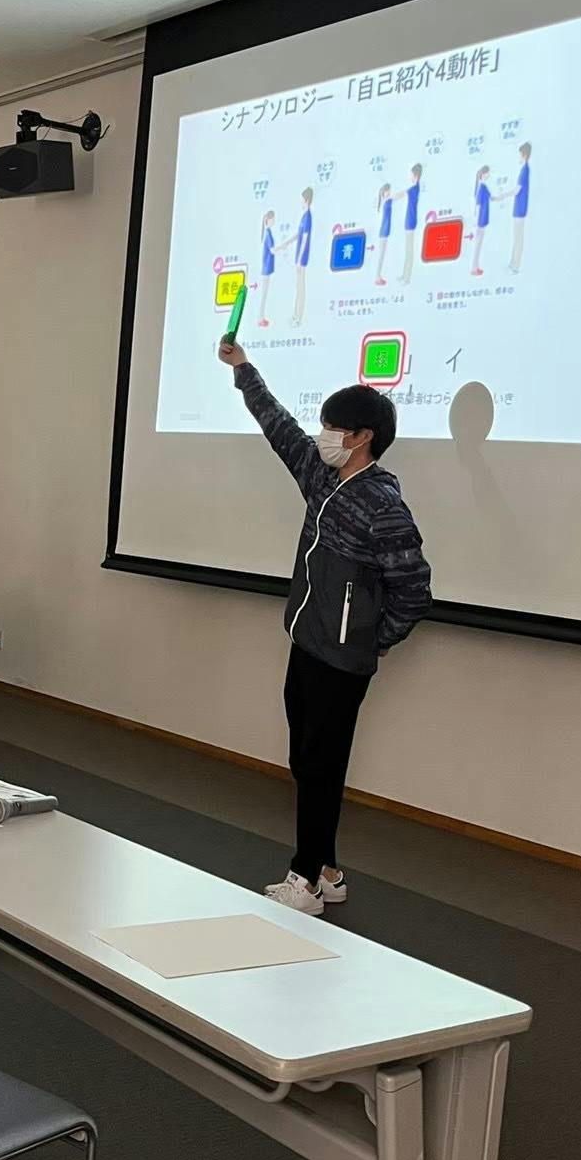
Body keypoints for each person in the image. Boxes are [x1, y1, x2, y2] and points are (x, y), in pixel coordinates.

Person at [216, 340, 433, 915]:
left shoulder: (383, 506)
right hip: (307, 643)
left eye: (334, 428)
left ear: (362, 437)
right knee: (307, 762)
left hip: (342, 660)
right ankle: (328, 871)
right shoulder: (322, 478)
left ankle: (305, 880)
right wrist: (243, 369)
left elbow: (414, 589)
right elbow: (278, 426)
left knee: (322, 765)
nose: (323, 436)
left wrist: (371, 638)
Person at [276, 188, 313, 326]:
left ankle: (298, 317)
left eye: (302, 200)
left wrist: (299, 260)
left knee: (301, 288)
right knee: (298, 287)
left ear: (307, 200)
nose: (301, 203)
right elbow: (298, 235)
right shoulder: (304, 217)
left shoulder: (308, 217)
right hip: (299, 257)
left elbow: (304, 239)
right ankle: (295, 315)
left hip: (302, 258)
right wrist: (285, 244)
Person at [496, 142, 530, 273]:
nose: (519, 157)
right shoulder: (523, 170)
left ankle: (516, 265)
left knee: (518, 237)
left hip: (520, 208)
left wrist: (503, 195)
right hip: (518, 208)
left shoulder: (525, 170)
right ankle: (513, 262)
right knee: (517, 236)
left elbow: (517, 190)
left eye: (520, 155)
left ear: (524, 155)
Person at [397, 163, 422, 285]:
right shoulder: (414, 188)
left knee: (409, 250)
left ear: (416, 176)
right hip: (409, 220)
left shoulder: (414, 189)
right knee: (407, 250)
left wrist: (391, 198)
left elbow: (401, 194)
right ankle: (404, 274)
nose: (410, 177)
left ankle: (407, 277)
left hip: (411, 221)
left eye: (411, 175)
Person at [257, 210, 276, 327]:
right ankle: (260, 318)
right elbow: (272, 250)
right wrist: (283, 247)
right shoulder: (268, 234)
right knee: (263, 295)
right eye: (273, 219)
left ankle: (262, 317)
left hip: (267, 268)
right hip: (266, 268)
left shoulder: (267, 233)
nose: (274, 221)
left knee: (264, 294)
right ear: (268, 220)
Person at [472, 165, 491, 277]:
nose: (489, 175)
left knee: (478, 246)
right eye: (487, 173)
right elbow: (478, 206)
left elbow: (491, 198)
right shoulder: (481, 188)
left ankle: (476, 267)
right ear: (483, 174)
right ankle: (474, 269)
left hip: (482, 220)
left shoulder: (484, 187)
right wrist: (477, 223)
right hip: (480, 221)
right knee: (477, 247)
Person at [374, 182, 392, 286]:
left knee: (382, 255)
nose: (389, 192)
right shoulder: (386, 201)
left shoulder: (382, 203)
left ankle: (378, 276)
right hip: (384, 232)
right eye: (388, 191)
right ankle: (377, 277)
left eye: (389, 191)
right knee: (381, 255)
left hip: (384, 231)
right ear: (384, 192)